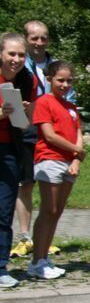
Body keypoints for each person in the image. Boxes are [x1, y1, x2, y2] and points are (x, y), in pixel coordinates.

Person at [13, 20, 72, 260]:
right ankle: (26, 237)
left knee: (52, 189)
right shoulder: (18, 65)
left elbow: (71, 100)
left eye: (43, 38)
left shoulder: (55, 66)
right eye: (34, 38)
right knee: (25, 184)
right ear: (26, 39)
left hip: (54, 134)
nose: (39, 42)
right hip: (27, 130)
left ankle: (45, 239)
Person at [26, 61, 82, 280]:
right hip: (50, 159)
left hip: (69, 162)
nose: (65, 84)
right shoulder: (44, 102)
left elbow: (78, 130)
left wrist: (76, 157)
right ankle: (36, 261)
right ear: (49, 79)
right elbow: (49, 135)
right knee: (48, 210)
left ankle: (44, 257)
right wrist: (76, 149)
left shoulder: (71, 107)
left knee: (57, 212)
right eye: (60, 80)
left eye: (69, 80)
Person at [0, 32, 38, 288]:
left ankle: (1, 267)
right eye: (11, 54)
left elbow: (29, 124)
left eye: (21, 55)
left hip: (10, 149)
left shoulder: (28, 79)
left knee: (4, 210)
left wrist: (26, 113)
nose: (16, 59)